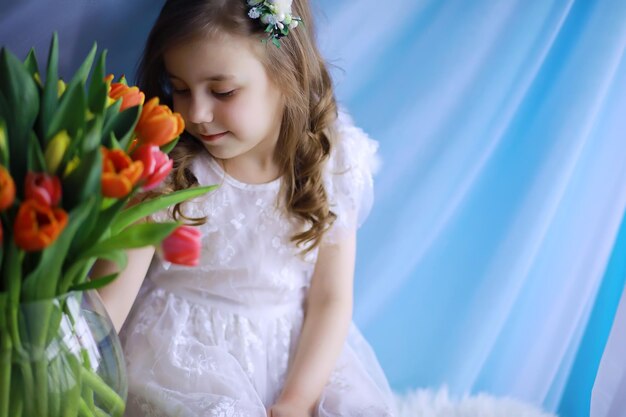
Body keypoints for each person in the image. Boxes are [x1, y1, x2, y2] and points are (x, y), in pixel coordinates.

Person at [96, 0, 397, 415]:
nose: (196, 113)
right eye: (180, 88)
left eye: (222, 91)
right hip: (184, 357)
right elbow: (105, 307)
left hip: (296, 354)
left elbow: (331, 299)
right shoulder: (169, 170)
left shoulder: (331, 162)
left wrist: (296, 400)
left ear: (285, 76)